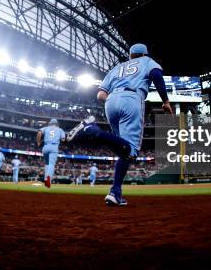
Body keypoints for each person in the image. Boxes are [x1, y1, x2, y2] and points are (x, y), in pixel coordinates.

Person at [68, 43, 172, 206]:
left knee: (123, 151)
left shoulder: (117, 67)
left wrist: (115, 99)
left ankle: (115, 192)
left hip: (110, 102)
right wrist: (165, 101)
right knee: (130, 151)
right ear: (144, 54)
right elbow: (156, 75)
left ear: (130, 55)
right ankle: (93, 130)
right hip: (132, 98)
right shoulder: (146, 61)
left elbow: (100, 95)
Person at [37, 118, 65, 188]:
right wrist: (66, 138)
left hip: (45, 147)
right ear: (57, 123)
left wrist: (38, 142)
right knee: (51, 164)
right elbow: (63, 139)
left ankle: (45, 180)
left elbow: (39, 132)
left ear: (50, 123)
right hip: (54, 147)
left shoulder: (46, 128)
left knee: (47, 164)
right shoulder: (60, 129)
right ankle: (48, 178)